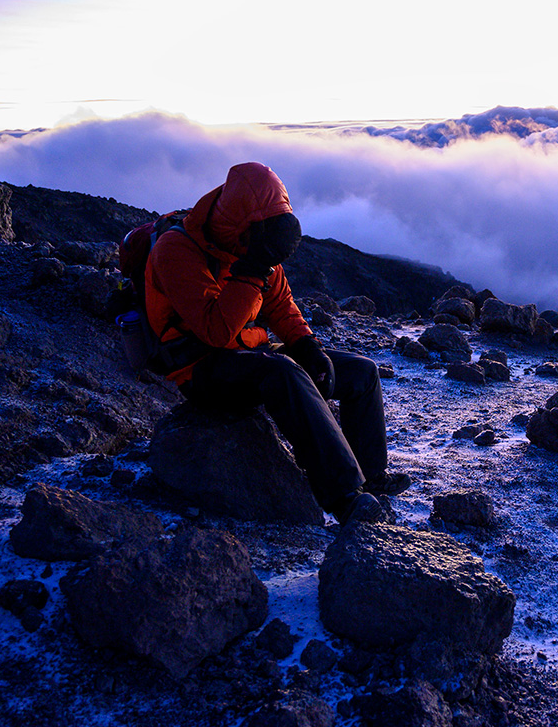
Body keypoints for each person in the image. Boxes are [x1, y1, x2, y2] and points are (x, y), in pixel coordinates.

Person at [144, 161, 410, 524]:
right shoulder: (177, 250)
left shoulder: (258, 243)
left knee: (360, 372)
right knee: (283, 372)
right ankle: (346, 498)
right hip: (200, 367)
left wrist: (307, 348)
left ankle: (372, 478)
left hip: (249, 354)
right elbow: (215, 331)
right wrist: (253, 269)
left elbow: (281, 305)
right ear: (243, 227)